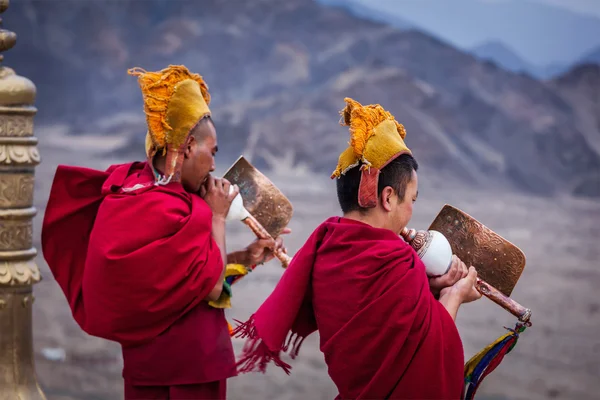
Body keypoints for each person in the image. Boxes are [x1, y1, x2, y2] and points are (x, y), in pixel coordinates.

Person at [42, 65, 289, 400]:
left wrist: (246, 258)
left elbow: (186, 280)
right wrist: (216, 216)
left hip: (149, 370)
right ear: (187, 147)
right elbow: (212, 285)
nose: (214, 165)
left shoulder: (133, 193)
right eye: (211, 151)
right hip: (190, 369)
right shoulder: (182, 209)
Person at [234, 97, 482, 399]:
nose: (410, 212)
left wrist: (429, 291)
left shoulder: (325, 248)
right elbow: (425, 356)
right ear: (388, 198)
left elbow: (388, 329)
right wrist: (454, 296)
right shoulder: (398, 261)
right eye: (412, 200)